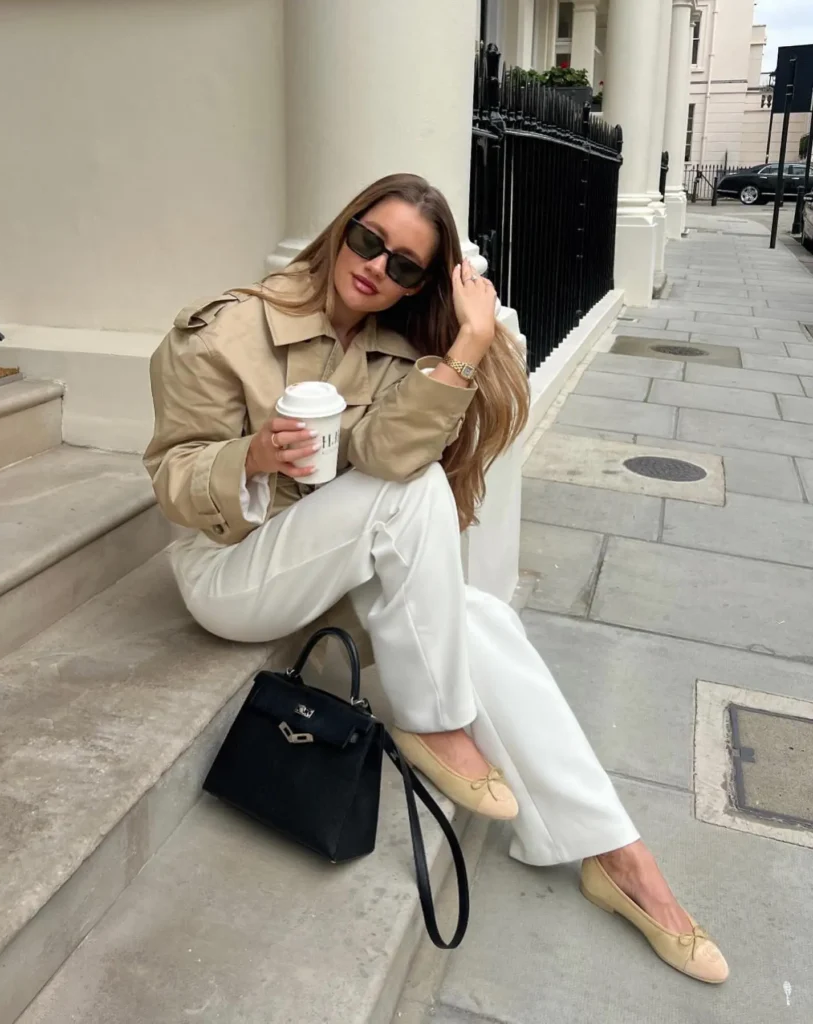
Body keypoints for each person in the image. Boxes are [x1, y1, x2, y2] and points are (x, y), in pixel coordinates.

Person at [144, 173, 728, 985]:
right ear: (342, 228)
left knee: (482, 618)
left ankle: (620, 858)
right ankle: (432, 719)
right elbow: (169, 474)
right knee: (411, 497)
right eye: (368, 240)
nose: (378, 268)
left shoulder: (395, 348)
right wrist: (247, 456)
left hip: (323, 565)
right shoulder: (225, 331)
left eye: (407, 267)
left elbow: (387, 456)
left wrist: (467, 346)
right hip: (230, 572)